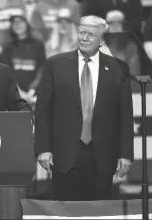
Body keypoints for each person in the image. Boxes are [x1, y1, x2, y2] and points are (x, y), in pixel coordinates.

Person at [34, 15, 134, 201]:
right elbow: (43, 110)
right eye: (81, 32)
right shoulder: (55, 64)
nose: (84, 38)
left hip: (103, 156)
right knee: (65, 211)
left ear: (102, 40)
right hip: (64, 155)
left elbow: (125, 116)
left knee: (98, 211)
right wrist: (43, 148)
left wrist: (126, 154)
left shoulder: (117, 69)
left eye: (90, 34)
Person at [0, 11, 46, 107]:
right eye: (14, 23)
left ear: (26, 24)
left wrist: (32, 90)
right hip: (14, 95)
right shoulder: (8, 47)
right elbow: (6, 73)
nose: (18, 25)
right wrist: (19, 92)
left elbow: (42, 69)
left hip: (35, 95)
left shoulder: (38, 45)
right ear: (11, 27)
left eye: (20, 22)